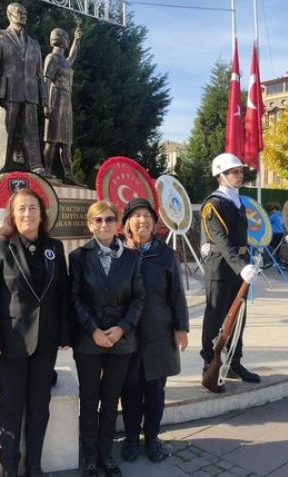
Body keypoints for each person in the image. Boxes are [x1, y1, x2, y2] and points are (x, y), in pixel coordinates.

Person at [0, 189, 70, 477]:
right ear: (12, 215)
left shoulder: (54, 248)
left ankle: (34, 466)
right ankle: (9, 467)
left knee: (39, 407)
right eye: (21, 209)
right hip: (10, 343)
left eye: (33, 208)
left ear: (42, 214)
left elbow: (62, 294)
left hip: (45, 342)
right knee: (10, 408)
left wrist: (65, 335)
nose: (28, 214)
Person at [69, 201, 144, 477]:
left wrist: (122, 328)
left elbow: (138, 297)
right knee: (89, 401)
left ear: (117, 224)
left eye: (109, 219)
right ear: (89, 224)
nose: (103, 224)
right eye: (97, 220)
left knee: (111, 401)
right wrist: (93, 330)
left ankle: (106, 455)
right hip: (89, 342)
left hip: (121, 342)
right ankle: (90, 457)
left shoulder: (131, 258)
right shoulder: (78, 256)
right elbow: (74, 297)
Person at [120, 198, 189, 463]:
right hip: (128, 335)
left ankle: (152, 438)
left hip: (159, 334)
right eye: (136, 215)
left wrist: (181, 327)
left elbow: (177, 295)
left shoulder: (165, 254)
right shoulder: (119, 253)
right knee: (130, 390)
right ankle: (129, 438)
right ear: (127, 222)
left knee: (155, 392)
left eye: (147, 215)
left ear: (154, 221)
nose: (142, 220)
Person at [200, 153, 260, 391]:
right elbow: (222, 241)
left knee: (238, 317)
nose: (240, 175)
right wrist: (241, 266)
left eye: (241, 171)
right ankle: (209, 364)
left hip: (239, 265)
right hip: (221, 268)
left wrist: (249, 261)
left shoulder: (238, 201)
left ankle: (234, 362)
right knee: (215, 318)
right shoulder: (213, 204)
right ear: (221, 175)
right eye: (234, 172)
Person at [0, 3, 48, 175]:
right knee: (7, 130)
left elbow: (39, 74)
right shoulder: (0, 35)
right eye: (19, 12)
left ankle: (35, 166)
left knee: (31, 131)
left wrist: (44, 99)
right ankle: (5, 166)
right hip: (9, 90)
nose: (23, 15)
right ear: (9, 14)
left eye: (25, 13)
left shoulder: (35, 44)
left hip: (30, 92)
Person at [43, 27, 84, 186]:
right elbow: (46, 80)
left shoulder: (64, 62)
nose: (68, 41)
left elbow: (71, 57)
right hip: (56, 98)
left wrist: (77, 39)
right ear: (60, 39)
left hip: (66, 100)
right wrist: (45, 103)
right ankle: (46, 171)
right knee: (52, 138)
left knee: (66, 140)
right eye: (67, 38)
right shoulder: (52, 58)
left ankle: (68, 174)